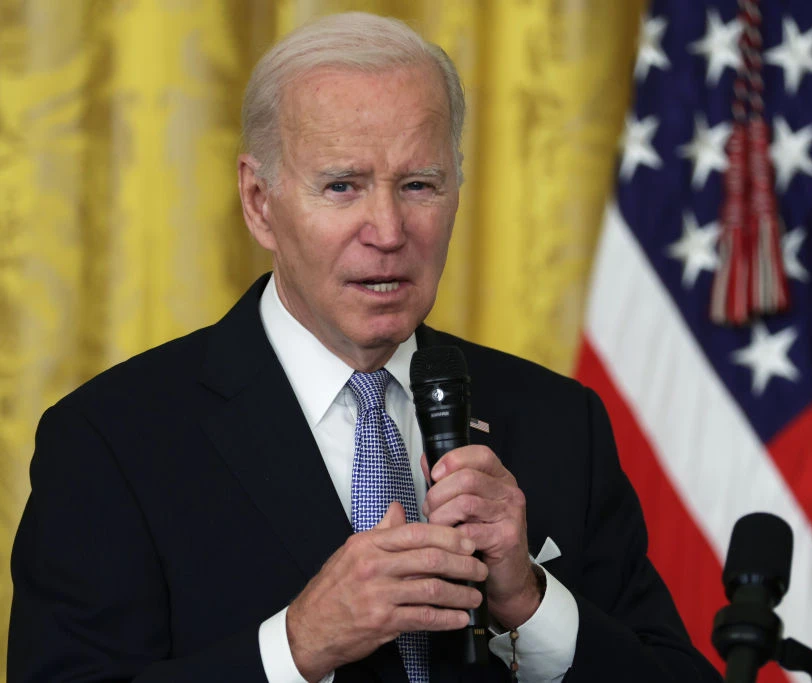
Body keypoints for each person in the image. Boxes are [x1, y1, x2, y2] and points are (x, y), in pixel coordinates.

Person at [8, 12, 722, 683]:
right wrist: (296, 645)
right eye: (342, 186)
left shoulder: (560, 422)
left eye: (418, 184)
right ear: (260, 202)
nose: (387, 229)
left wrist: (528, 600)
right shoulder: (112, 439)